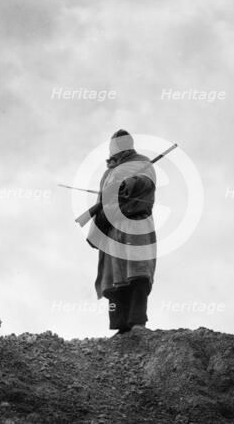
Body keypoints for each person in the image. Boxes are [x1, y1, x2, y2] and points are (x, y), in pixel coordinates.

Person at [87, 129, 157, 336]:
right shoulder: (107, 173)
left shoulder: (142, 162)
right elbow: (101, 203)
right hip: (112, 230)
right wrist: (97, 227)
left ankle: (137, 322)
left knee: (138, 273)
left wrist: (130, 183)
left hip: (135, 224)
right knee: (113, 281)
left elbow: (146, 181)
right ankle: (120, 326)